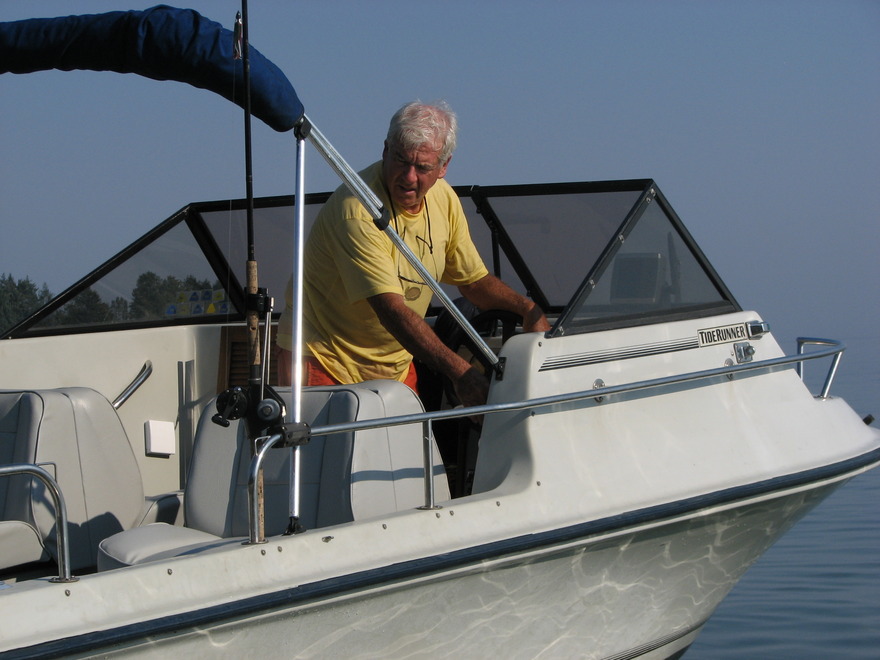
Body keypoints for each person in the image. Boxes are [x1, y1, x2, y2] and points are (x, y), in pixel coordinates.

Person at [276, 101, 549, 408]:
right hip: (323, 358)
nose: (408, 177)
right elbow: (390, 311)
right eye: (400, 160)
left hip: (394, 364)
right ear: (385, 150)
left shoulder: (444, 199)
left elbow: (473, 284)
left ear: (443, 167)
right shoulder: (356, 210)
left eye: (422, 168)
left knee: (408, 440)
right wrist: (461, 373)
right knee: (328, 442)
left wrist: (528, 310)